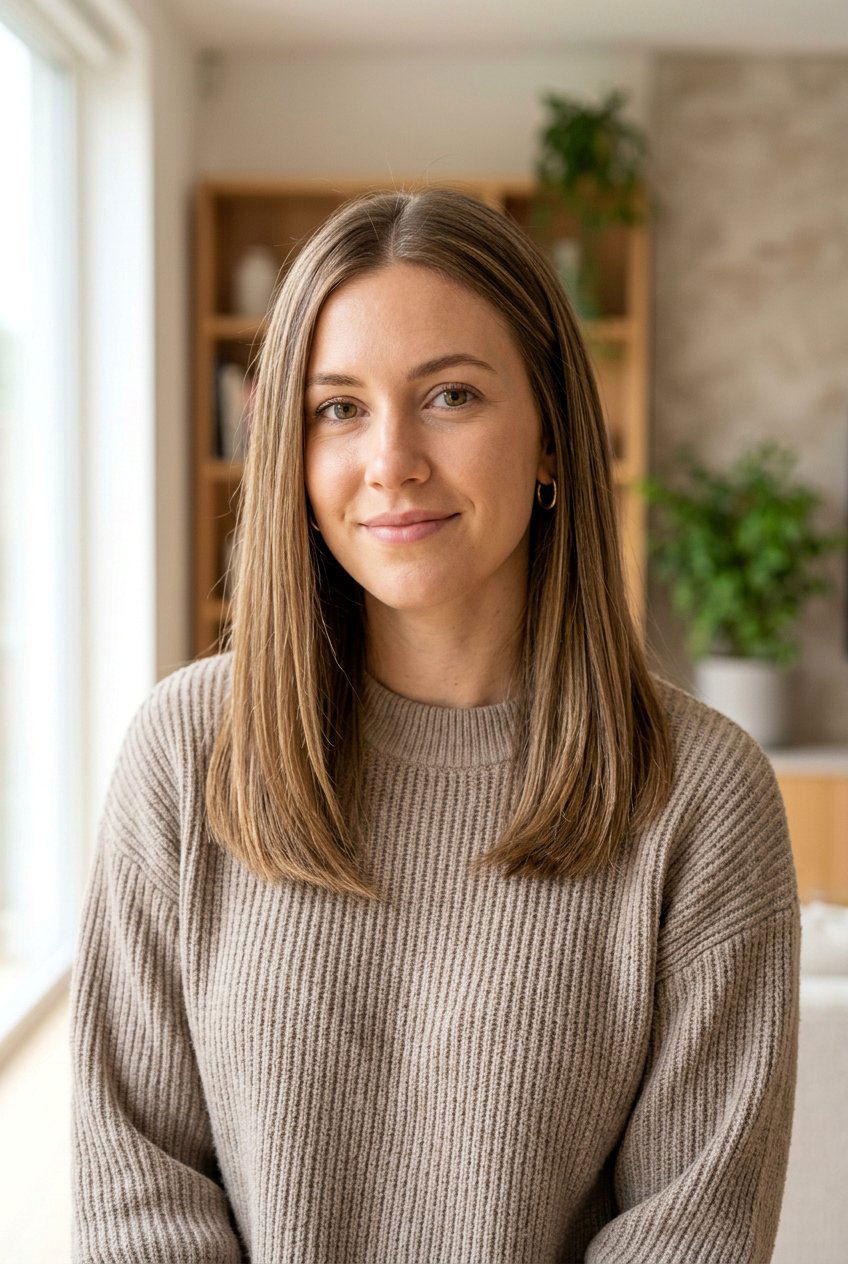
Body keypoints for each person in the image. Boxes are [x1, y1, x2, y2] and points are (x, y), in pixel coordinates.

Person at [70, 187, 801, 1263]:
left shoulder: (697, 791)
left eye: (450, 395)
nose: (390, 460)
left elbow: (690, 1229)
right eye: (337, 409)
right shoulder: (184, 752)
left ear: (554, 433)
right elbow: (138, 1186)